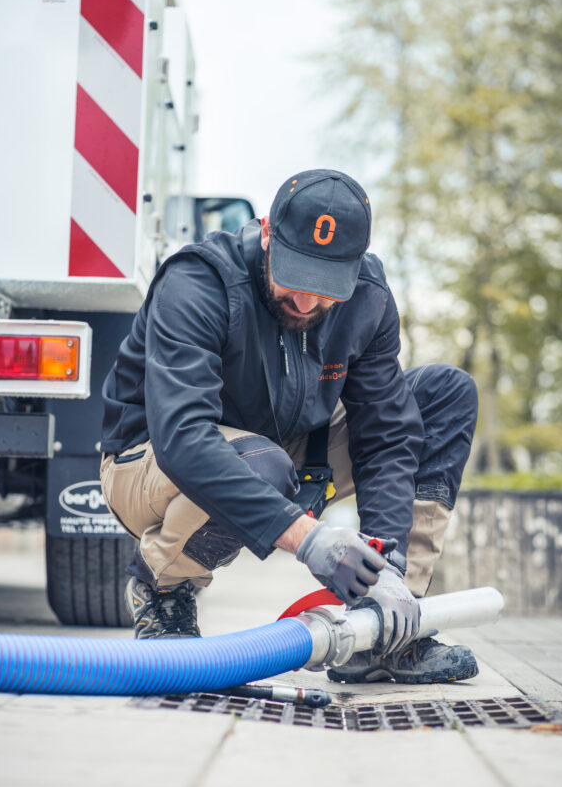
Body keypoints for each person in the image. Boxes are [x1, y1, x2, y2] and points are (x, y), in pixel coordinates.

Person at [100, 168, 479, 684]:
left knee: (444, 395)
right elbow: (183, 438)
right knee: (260, 462)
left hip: (287, 451)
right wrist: (312, 541)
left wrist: (385, 569)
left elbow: (386, 437)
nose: (306, 302)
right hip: (150, 465)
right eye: (295, 278)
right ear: (265, 233)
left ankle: (388, 629)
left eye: (326, 289)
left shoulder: (368, 298)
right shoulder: (198, 282)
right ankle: (164, 590)